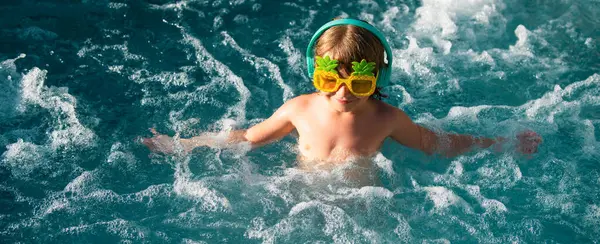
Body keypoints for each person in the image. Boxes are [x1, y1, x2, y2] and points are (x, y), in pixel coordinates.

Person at [142, 18, 541, 178]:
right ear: (316, 72)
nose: (343, 92)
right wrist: (183, 144)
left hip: (366, 202)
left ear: (378, 78)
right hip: (300, 197)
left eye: (360, 84)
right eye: (331, 79)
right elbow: (248, 137)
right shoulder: (300, 108)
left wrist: (501, 144)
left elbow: (436, 143)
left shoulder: (387, 118)